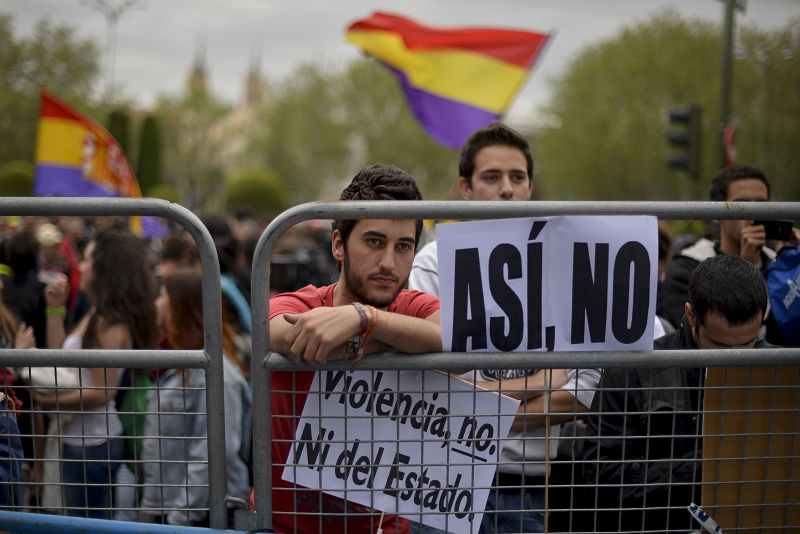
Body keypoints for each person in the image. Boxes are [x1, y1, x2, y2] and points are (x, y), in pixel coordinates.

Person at [409, 122, 600, 533]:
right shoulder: (434, 262)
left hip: (525, 489)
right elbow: (429, 386)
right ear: (465, 187)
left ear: (530, 187)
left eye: (517, 177)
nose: (507, 189)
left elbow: (581, 392)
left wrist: (476, 407)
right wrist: (537, 382)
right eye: (492, 177)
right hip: (440, 482)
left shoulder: (567, 266)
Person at [263, 163, 441, 534]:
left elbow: (453, 336)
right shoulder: (296, 304)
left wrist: (365, 319)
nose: (389, 263)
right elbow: (285, 333)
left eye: (403, 246)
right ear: (338, 245)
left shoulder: (417, 306)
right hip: (281, 527)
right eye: (374, 242)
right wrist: (395, 337)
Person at [581, 255, 772, 532]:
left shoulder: (781, 370)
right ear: (691, 315)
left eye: (747, 344)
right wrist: (705, 464)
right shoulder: (633, 371)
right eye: (720, 346)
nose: (735, 358)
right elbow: (600, 478)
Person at [33, 228, 158, 519]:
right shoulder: (97, 313)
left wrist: (45, 400)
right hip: (80, 441)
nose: (81, 265)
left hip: (91, 445)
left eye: (87, 259)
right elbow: (62, 361)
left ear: (104, 269)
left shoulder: (109, 322)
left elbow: (102, 393)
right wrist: (55, 311)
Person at [139, 268, 251, 527]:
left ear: (182, 309)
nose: (157, 303)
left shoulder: (218, 376)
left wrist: (180, 519)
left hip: (200, 518)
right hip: (177, 511)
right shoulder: (184, 369)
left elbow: (212, 455)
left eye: (163, 295)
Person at [662, 165, 784, 338]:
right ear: (717, 213)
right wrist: (745, 269)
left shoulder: (780, 263)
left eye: (761, 204)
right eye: (741, 204)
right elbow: (693, 336)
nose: (753, 212)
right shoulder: (686, 267)